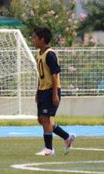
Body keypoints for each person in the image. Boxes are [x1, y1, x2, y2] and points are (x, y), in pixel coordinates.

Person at [31, 27, 76, 156]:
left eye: (35, 37)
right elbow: (41, 75)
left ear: (42, 39)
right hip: (42, 91)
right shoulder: (39, 53)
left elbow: (54, 75)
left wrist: (55, 94)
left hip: (51, 91)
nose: (33, 40)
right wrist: (37, 91)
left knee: (45, 119)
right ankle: (67, 137)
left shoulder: (50, 54)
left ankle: (49, 149)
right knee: (41, 119)